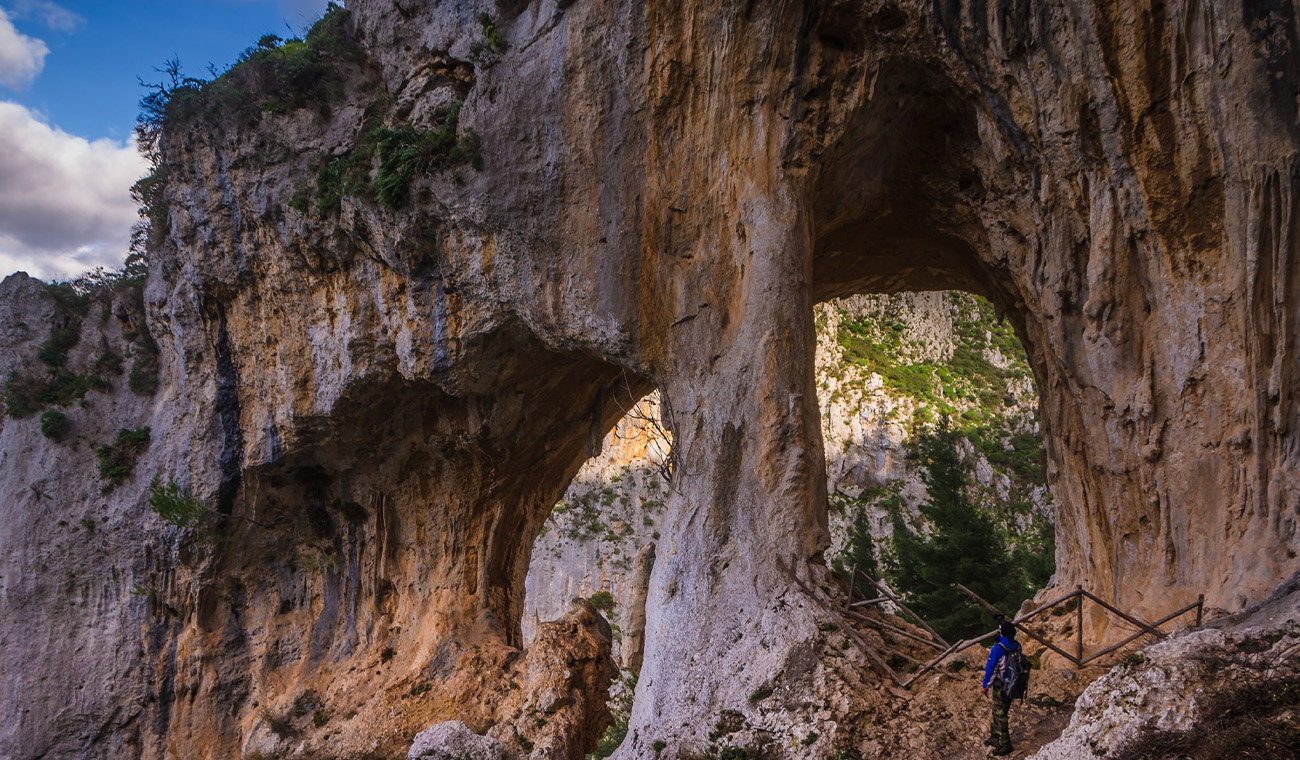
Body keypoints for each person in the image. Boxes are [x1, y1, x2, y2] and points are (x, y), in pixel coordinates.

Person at [981, 620, 1020, 756]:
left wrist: (986, 685)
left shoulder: (998, 648)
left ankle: (1005, 743)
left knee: (1000, 713)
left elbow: (991, 668)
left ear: (1002, 632)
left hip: (1001, 685)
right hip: (1012, 684)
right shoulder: (1016, 645)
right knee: (999, 710)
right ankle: (995, 736)